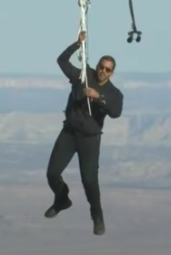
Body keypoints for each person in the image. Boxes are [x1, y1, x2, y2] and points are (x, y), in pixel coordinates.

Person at [44, 30, 124, 236]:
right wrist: (77, 44)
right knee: (52, 173)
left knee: (89, 181)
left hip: (89, 139)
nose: (103, 72)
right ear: (97, 66)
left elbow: (116, 112)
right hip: (69, 133)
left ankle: (97, 215)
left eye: (108, 70)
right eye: (101, 67)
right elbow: (61, 61)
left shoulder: (114, 93)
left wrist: (98, 98)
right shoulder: (83, 76)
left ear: (112, 73)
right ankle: (62, 199)